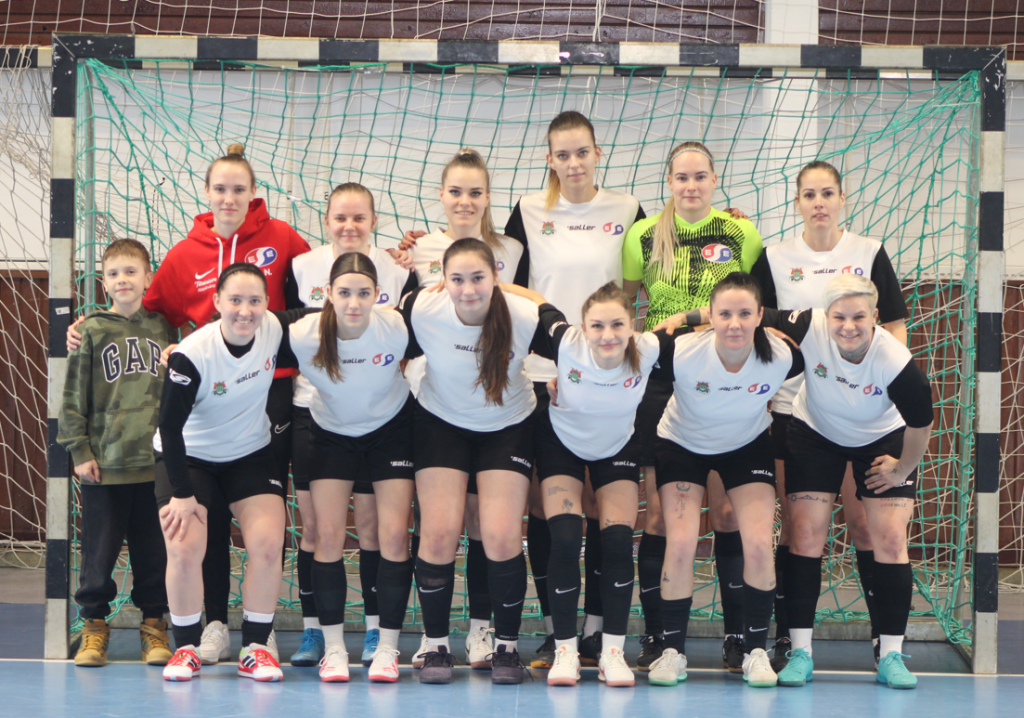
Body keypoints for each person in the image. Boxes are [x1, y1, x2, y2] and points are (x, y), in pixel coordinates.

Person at [66, 144, 310, 664]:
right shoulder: (185, 260)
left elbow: (317, 301)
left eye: (239, 189)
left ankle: (259, 639)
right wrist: (93, 324)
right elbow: (147, 311)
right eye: (220, 188)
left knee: (266, 535)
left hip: (263, 395)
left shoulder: (283, 242)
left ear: (253, 193)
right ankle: (203, 632)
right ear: (207, 193)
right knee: (196, 531)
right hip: (199, 401)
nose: (229, 197)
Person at [750, 160, 909, 671]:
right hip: (796, 411)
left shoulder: (868, 252)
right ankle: (790, 640)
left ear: (843, 199)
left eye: (827, 193)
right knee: (799, 529)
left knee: (865, 525)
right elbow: (759, 324)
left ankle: (886, 645)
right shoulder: (775, 258)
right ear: (797, 202)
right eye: (809, 194)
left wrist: (880, 384)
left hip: (864, 414)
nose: (819, 202)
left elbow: (895, 327)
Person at [502, 111, 648, 668]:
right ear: (549, 159)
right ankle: (554, 629)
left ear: (597, 153)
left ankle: (595, 632)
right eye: (562, 154)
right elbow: (505, 279)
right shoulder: (528, 210)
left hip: (612, 375)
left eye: (582, 152)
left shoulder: (628, 209)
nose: (573, 163)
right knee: (549, 513)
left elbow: (654, 267)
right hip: (547, 374)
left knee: (602, 509)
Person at [623, 141, 764, 672]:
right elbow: (628, 304)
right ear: (669, 181)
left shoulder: (741, 233)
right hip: (665, 381)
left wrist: (698, 319)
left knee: (726, 512)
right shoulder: (641, 236)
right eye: (681, 177)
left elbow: (751, 304)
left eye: (700, 176)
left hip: (727, 374)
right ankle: (657, 637)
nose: (690, 186)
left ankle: (738, 637)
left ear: (714, 179)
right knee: (660, 516)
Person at [760, 274, 932, 690]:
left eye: (859, 317)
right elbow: (753, 313)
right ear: (827, 315)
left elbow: (921, 423)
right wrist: (684, 319)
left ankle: (890, 655)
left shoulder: (894, 361)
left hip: (881, 438)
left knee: (890, 538)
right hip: (815, 434)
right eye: (839, 317)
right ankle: (800, 652)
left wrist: (902, 469)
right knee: (804, 534)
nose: (848, 326)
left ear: (875, 316)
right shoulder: (809, 325)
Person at [395, 148, 526, 670]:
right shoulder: (418, 249)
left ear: (489, 197)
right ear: (441, 195)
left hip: (503, 407)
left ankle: (484, 632)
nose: (465, 201)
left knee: (489, 528)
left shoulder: (513, 249)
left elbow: (529, 304)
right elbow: (402, 320)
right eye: (455, 191)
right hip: (441, 405)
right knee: (441, 528)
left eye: (475, 192)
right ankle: (434, 641)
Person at [401, 238, 553, 685]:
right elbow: (370, 333)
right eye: (457, 279)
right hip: (440, 423)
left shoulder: (524, 315)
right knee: (439, 533)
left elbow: (578, 347)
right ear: (442, 281)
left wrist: (569, 381)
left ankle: (506, 647)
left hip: (508, 425)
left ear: (496, 277)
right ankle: (436, 646)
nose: (468, 290)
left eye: (478, 278)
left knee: (501, 535)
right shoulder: (423, 309)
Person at [503, 281, 667, 687]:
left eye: (617, 325)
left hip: (617, 446)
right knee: (564, 538)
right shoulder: (565, 341)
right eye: (597, 326)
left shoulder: (648, 349)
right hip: (562, 443)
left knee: (617, 542)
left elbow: (696, 331)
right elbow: (538, 301)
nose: (607, 335)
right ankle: (565, 651)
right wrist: (493, 282)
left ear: (632, 325)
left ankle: (612, 652)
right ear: (583, 327)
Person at [645, 272, 802, 688]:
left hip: (746, 446)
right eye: (725, 314)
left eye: (745, 314)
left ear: (760, 316)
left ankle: (756, 652)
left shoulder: (782, 355)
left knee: (758, 544)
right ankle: (672, 652)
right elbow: (622, 358)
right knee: (681, 543)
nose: (735, 324)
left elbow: (830, 339)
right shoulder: (680, 351)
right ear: (710, 316)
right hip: (681, 445)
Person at [156, 263, 310, 682]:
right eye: (236, 300)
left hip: (249, 453)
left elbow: (326, 312)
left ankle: (255, 648)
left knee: (267, 544)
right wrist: (181, 493)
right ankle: (186, 648)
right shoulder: (193, 354)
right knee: (184, 546)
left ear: (267, 304)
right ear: (217, 302)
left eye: (255, 301)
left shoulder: (274, 328)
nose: (245, 310)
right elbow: (169, 427)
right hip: (189, 457)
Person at [287, 183, 414, 669]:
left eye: (359, 218)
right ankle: (327, 642)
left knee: (384, 533)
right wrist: (187, 353)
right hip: (323, 420)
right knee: (322, 533)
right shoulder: (303, 308)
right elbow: (253, 330)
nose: (349, 226)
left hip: (386, 423)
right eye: (340, 217)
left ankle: (384, 640)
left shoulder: (398, 308)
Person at [57, 239, 176, 669]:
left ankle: (154, 626)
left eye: (131, 271)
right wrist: (80, 450)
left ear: (148, 278)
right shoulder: (90, 330)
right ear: (103, 283)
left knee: (154, 554)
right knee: (98, 555)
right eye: (113, 273)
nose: (122, 279)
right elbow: (73, 397)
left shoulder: (164, 328)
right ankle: (93, 625)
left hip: (155, 466)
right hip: (104, 466)